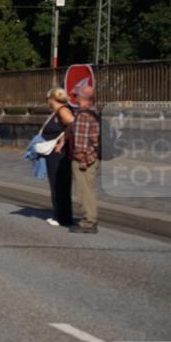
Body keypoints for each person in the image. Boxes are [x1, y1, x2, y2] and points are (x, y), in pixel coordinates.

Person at [42, 87, 75, 227]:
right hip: (56, 154)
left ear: (52, 99)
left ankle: (61, 216)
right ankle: (62, 215)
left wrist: (62, 141)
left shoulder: (62, 111)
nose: (47, 101)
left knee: (58, 184)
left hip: (59, 154)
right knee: (59, 184)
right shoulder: (58, 111)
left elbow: (72, 124)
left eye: (48, 98)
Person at [70, 85, 100, 234]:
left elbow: (81, 142)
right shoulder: (94, 112)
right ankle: (90, 219)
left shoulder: (82, 115)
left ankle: (89, 222)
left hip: (84, 159)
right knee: (89, 189)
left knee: (84, 191)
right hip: (93, 156)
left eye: (75, 96)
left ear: (81, 98)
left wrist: (81, 161)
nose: (74, 98)